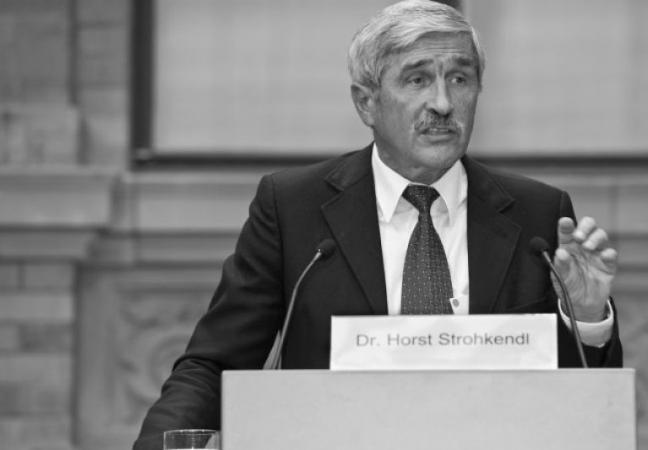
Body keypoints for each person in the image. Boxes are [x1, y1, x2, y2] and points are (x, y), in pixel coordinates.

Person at [133, 1, 622, 448]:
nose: (444, 104)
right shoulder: (293, 207)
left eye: (460, 78)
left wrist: (585, 317)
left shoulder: (537, 215)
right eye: (416, 80)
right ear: (366, 102)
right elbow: (214, 362)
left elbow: (582, 398)